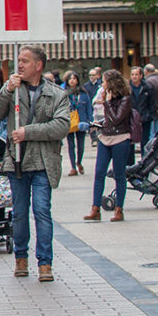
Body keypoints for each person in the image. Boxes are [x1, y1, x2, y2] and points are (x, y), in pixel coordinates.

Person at [0, 46, 70, 282]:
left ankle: (45, 263)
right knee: (20, 214)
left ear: (38, 65)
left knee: (42, 212)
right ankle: (20, 258)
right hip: (17, 161)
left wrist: (28, 132)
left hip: (43, 162)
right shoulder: (13, 89)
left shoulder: (57, 94)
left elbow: (61, 126)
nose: (19, 65)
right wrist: (6, 90)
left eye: (25, 61)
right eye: (18, 61)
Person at [84, 69, 132, 223]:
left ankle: (119, 210)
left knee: (119, 174)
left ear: (111, 83)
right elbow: (109, 119)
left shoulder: (125, 99)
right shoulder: (107, 98)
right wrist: (99, 124)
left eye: (104, 81)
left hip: (120, 139)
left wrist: (106, 102)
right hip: (105, 138)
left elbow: (117, 119)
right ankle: (95, 208)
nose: (102, 84)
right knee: (99, 173)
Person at [63, 71, 92, 176]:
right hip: (68, 121)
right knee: (71, 145)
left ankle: (79, 162)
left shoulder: (83, 93)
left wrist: (90, 120)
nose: (72, 80)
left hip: (81, 121)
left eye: (74, 78)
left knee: (81, 145)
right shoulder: (64, 93)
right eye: (70, 79)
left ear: (77, 80)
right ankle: (73, 167)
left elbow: (88, 107)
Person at [129, 66, 153, 158]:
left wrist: (149, 115)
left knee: (145, 143)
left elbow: (152, 103)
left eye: (136, 74)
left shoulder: (147, 88)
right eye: (132, 74)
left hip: (144, 118)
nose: (134, 76)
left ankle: (144, 163)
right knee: (130, 143)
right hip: (131, 119)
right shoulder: (127, 88)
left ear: (141, 75)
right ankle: (130, 166)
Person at [145, 64, 158, 139]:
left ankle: (152, 150)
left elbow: (150, 98)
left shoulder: (148, 81)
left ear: (146, 71)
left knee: (151, 134)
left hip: (151, 111)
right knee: (157, 133)